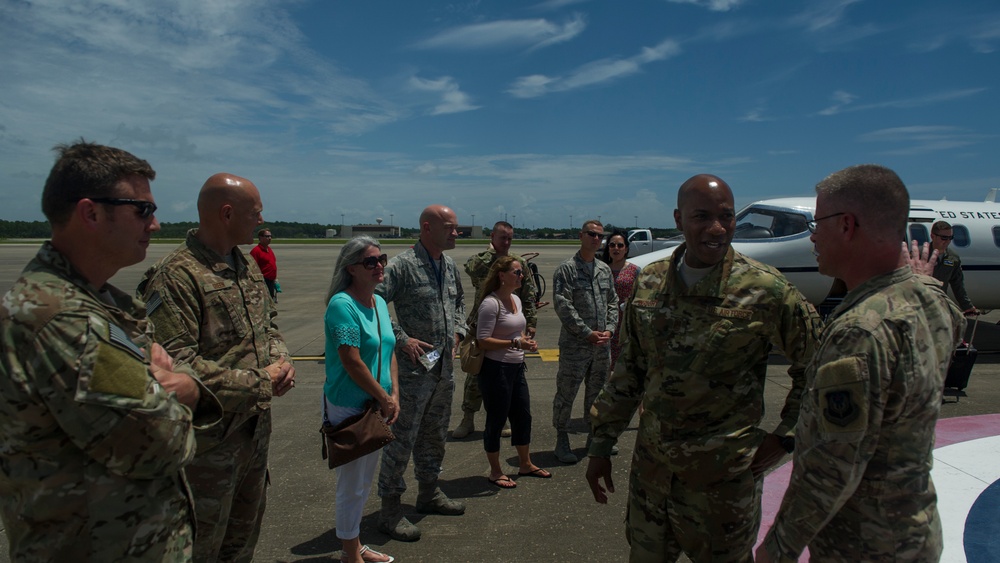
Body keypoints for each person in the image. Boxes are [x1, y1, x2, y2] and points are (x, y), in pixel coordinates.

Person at [0, 140, 222, 560]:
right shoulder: (60, 318)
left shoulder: (98, 303)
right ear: (91, 213)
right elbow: (162, 443)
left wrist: (160, 388)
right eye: (143, 210)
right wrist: (189, 387)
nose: (154, 225)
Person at [585, 174, 822, 563]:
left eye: (726, 216)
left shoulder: (765, 289)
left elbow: (817, 366)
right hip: (652, 478)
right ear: (679, 220)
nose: (716, 228)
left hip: (721, 488)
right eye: (701, 216)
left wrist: (786, 437)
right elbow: (630, 370)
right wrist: (601, 444)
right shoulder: (651, 283)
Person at [757, 165, 966, 562]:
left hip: (861, 546)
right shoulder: (931, 298)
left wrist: (777, 548)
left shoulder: (861, 330)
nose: (814, 235)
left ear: (847, 225)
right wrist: (919, 279)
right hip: (914, 535)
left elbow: (833, 466)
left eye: (817, 223)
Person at [138, 172, 296, 562]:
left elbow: (268, 325)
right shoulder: (176, 275)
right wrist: (262, 381)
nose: (261, 221)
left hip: (253, 436)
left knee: (242, 543)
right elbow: (179, 366)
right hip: (207, 448)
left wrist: (282, 357)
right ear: (227, 213)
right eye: (255, 213)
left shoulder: (245, 266)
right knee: (200, 549)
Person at [375, 204, 467, 542]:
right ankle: (389, 509)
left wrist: (459, 330)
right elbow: (370, 301)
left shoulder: (449, 264)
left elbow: (458, 303)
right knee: (400, 441)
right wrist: (402, 339)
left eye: (456, 228)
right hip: (413, 373)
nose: (456, 233)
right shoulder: (402, 266)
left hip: (442, 369)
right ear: (427, 227)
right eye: (450, 227)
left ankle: (429, 493)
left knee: (435, 435)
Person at [323, 236, 400, 563]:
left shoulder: (379, 302)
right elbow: (351, 360)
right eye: (370, 262)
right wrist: (383, 397)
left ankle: (353, 545)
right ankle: (350, 553)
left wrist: (394, 394)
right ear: (351, 268)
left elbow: (389, 349)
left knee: (363, 481)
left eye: (381, 258)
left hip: (377, 403)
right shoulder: (343, 304)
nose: (379, 265)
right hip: (352, 405)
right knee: (352, 484)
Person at [453, 221, 538, 439]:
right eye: (502, 238)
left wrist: (531, 322)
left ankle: (500, 420)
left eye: (510, 238)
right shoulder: (482, 261)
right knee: (475, 373)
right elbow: (470, 267)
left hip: (509, 324)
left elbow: (529, 294)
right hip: (481, 323)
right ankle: (468, 418)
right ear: (492, 237)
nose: (507, 242)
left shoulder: (518, 264)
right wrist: (492, 255)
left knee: (506, 375)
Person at [474, 256, 550, 489]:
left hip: (517, 368)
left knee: (523, 416)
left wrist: (526, 342)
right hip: (496, 369)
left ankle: (525, 464)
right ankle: (495, 471)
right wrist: (516, 344)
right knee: (496, 420)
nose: (521, 276)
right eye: (516, 272)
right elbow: (483, 340)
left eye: (521, 272)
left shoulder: (516, 299)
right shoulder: (490, 303)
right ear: (502, 275)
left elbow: (515, 333)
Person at [551, 219, 619, 464]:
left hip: (601, 346)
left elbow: (613, 301)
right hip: (576, 346)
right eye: (591, 234)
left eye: (600, 236)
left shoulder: (603, 269)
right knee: (566, 393)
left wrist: (610, 329)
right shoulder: (567, 269)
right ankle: (561, 439)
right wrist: (586, 332)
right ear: (581, 236)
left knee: (597, 395)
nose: (596, 238)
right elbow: (563, 305)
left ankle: (593, 438)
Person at [600, 228, 640, 370]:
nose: (616, 248)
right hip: (607, 322)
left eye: (620, 245)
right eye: (612, 245)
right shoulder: (602, 269)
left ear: (626, 249)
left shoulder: (635, 270)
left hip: (627, 322)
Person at [930, 220, 979, 315]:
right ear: (933, 236)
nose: (947, 241)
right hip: (919, 303)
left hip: (939, 304)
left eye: (950, 238)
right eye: (944, 238)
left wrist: (967, 306)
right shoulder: (918, 255)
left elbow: (958, 285)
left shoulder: (953, 258)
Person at [250, 228, 279, 301]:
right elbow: (251, 267)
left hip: (271, 280)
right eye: (267, 236)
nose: (269, 238)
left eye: (270, 236)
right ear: (260, 237)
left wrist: (275, 279)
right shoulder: (256, 251)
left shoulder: (269, 249)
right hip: (263, 281)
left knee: (271, 300)